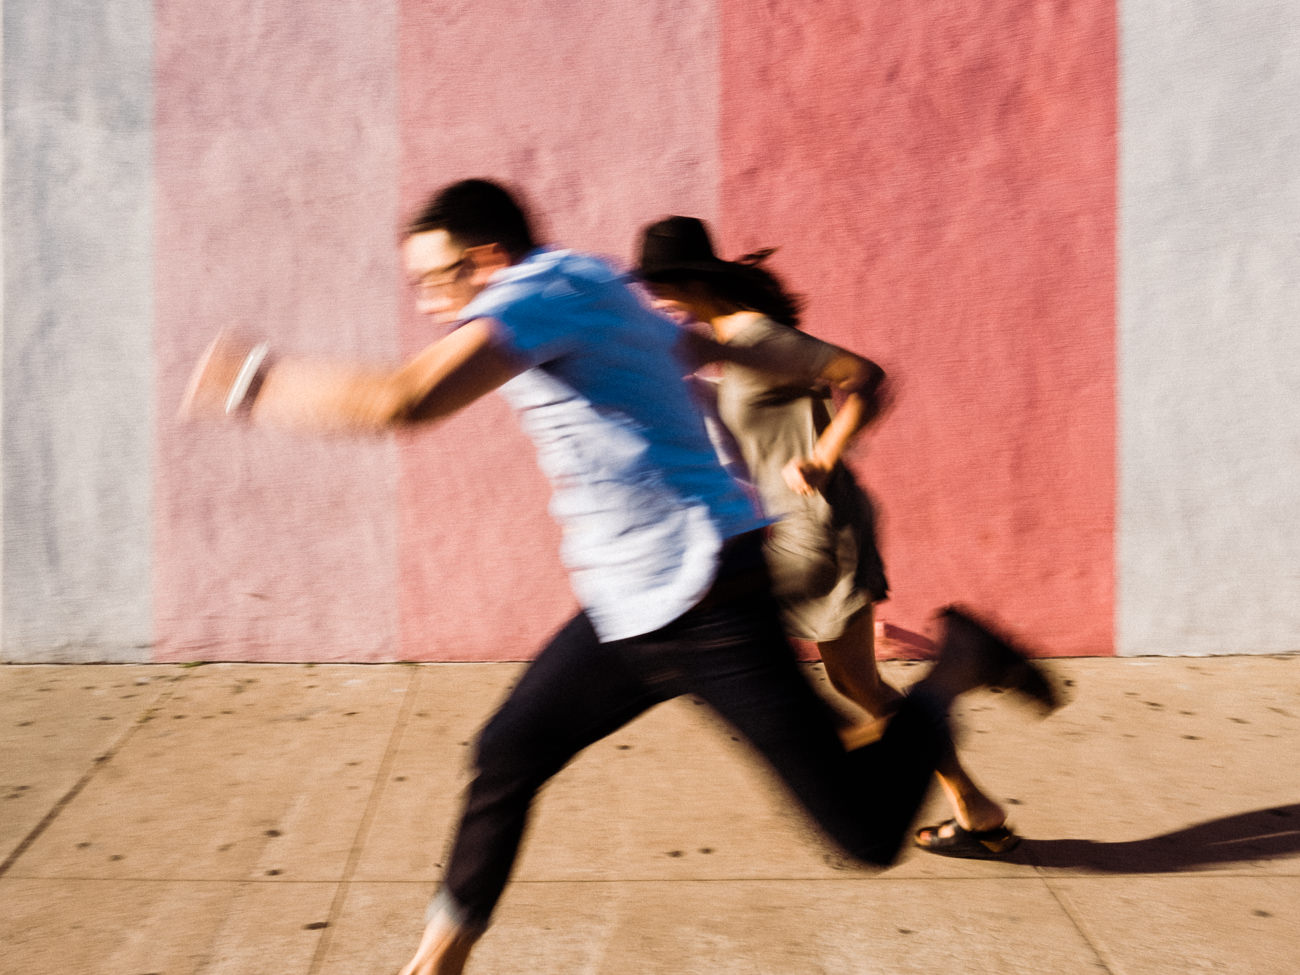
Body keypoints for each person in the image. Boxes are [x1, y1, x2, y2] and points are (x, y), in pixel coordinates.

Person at [182, 178, 1056, 975]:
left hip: (708, 600)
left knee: (865, 834)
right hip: (625, 608)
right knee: (505, 757)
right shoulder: (591, 283)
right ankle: (435, 966)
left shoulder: (533, 293)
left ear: (486, 256)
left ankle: (957, 666)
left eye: (438, 279)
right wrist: (802, 368)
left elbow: (405, 402)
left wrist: (254, 383)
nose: (430, 303)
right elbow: (687, 348)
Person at [635, 215, 1054, 859]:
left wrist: (826, 454)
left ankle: (913, 736)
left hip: (817, 530)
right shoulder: (718, 341)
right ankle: (972, 797)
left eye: (660, 285)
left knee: (733, 648)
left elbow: (864, 377)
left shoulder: (757, 335)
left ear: (694, 280)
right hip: (782, 527)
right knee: (854, 683)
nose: (653, 299)